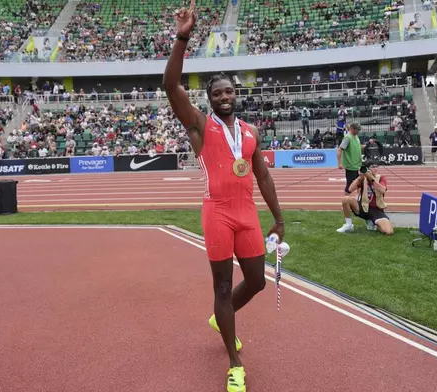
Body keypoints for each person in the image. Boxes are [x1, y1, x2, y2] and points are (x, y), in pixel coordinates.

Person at [163, 2, 285, 391]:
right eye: (217, 92)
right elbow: (170, 86)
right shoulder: (199, 124)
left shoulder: (250, 132)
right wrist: (183, 37)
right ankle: (234, 362)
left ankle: (222, 315)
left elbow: (263, 176)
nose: (224, 96)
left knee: (257, 282)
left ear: (237, 94)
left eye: (229, 90)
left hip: (246, 213)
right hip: (216, 213)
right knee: (221, 287)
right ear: (210, 98)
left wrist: (280, 219)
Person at [336, 160, 394, 235]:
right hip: (363, 207)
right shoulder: (363, 179)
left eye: (376, 167)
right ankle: (348, 225)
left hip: (376, 209)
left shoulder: (381, 178)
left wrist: (372, 179)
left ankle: (372, 221)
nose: (375, 169)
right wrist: (359, 178)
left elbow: (383, 190)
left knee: (388, 232)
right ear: (367, 169)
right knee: (345, 199)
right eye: (373, 167)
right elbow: (350, 189)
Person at [337, 122, 363, 196]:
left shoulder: (356, 136)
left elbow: (358, 146)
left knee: (360, 184)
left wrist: (368, 145)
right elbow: (339, 149)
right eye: (357, 130)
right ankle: (346, 202)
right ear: (352, 129)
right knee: (350, 185)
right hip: (351, 166)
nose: (358, 131)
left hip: (357, 165)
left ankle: (358, 201)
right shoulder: (347, 138)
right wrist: (339, 163)